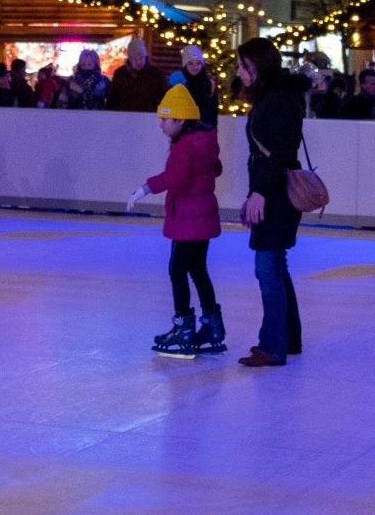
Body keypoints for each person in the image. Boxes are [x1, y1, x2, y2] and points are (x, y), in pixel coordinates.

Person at [130, 84, 225, 357]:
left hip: (187, 220)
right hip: (202, 218)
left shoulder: (184, 148)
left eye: (165, 120)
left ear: (180, 120)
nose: (161, 125)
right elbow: (214, 168)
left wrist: (145, 188)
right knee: (198, 271)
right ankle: (212, 326)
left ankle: (183, 327)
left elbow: (176, 178)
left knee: (177, 271)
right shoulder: (203, 142)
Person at [236, 37, 308, 367]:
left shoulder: (278, 98)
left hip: (276, 196)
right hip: (272, 192)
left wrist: (259, 192)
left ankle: (273, 346)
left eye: (244, 66)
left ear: (259, 66)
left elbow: (279, 153)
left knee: (268, 269)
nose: (239, 72)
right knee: (277, 267)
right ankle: (288, 339)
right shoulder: (273, 94)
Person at [106, 38, 166, 114]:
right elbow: (112, 99)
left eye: (141, 58)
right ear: (129, 59)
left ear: (145, 57)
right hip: (123, 117)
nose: (138, 62)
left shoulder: (156, 74)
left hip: (148, 117)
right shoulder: (120, 74)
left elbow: (164, 98)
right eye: (134, 59)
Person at [169, 44, 219, 126]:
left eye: (198, 63)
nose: (194, 67)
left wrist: (213, 130)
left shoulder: (209, 84)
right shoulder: (179, 83)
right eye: (191, 63)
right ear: (185, 65)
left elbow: (214, 111)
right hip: (183, 129)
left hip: (204, 129)